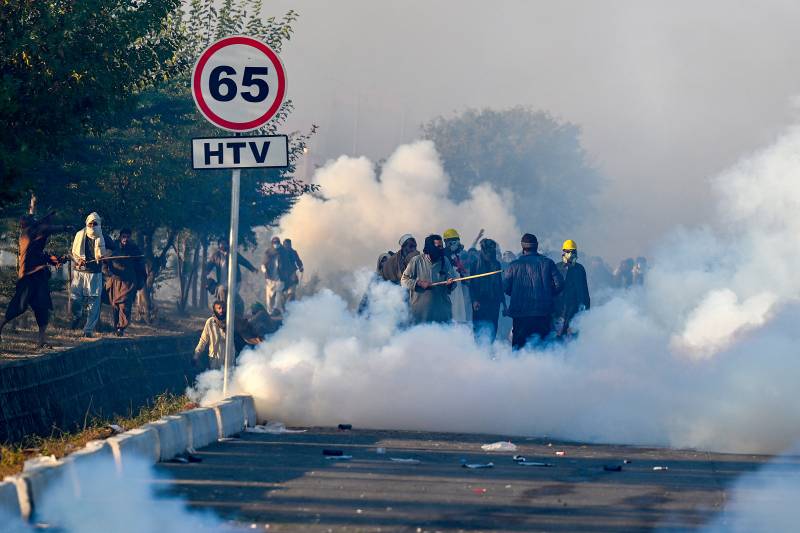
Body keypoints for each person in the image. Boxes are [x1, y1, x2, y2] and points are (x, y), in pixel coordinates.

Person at [0, 211, 67, 347]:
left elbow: (39, 254)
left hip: (38, 277)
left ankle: (41, 340)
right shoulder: (27, 234)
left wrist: (54, 259)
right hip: (27, 277)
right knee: (19, 306)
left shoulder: (35, 236)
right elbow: (47, 230)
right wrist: (65, 227)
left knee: (42, 307)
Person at [503, 233, 563, 349]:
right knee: (542, 349)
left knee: (519, 351)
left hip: (520, 315)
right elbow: (559, 284)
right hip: (543, 313)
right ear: (536, 246)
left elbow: (505, 287)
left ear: (523, 247)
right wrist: (548, 294)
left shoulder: (513, 266)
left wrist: (515, 293)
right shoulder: (548, 263)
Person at [70, 212, 110, 338]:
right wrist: (78, 260)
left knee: (94, 303)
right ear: (87, 223)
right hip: (79, 273)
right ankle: (77, 315)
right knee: (75, 299)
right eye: (90, 223)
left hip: (95, 274)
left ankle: (88, 330)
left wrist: (104, 255)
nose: (92, 226)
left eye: (95, 223)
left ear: (99, 224)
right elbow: (73, 253)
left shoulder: (104, 237)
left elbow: (112, 249)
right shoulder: (79, 235)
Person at [401, 234, 456, 324]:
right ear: (430, 248)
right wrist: (419, 283)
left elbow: (452, 281)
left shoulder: (445, 261)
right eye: (439, 247)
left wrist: (450, 284)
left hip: (442, 315)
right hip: (420, 316)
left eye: (442, 246)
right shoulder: (416, 261)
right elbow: (404, 280)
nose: (442, 249)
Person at [103, 228, 145, 337]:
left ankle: (121, 327)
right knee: (115, 306)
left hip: (129, 283)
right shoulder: (113, 248)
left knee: (125, 305)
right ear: (120, 237)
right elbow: (104, 264)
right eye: (123, 237)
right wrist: (109, 273)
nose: (125, 239)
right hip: (115, 282)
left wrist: (140, 282)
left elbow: (141, 267)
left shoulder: (135, 250)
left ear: (130, 238)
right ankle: (116, 327)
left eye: (127, 237)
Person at [205, 238, 256, 314]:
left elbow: (243, 261)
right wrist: (206, 272)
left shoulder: (233, 254)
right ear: (218, 245)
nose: (222, 245)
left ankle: (233, 313)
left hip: (235, 282)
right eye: (221, 243)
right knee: (223, 296)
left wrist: (252, 269)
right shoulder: (216, 256)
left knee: (232, 297)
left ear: (227, 245)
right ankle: (224, 313)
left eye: (224, 243)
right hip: (222, 282)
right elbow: (209, 265)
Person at [552, 239, 590, 337]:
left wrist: (585, 311)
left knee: (572, 340)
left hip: (574, 311)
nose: (571, 254)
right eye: (568, 251)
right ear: (563, 252)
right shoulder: (556, 267)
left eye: (573, 251)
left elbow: (584, 292)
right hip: (559, 311)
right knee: (558, 340)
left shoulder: (579, 269)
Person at [469, 238, 505, 342]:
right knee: (478, 329)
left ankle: (489, 351)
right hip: (479, 304)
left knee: (492, 329)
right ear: (483, 251)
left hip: (494, 303)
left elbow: (499, 285)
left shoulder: (497, 264)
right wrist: (474, 300)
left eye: (492, 251)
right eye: (488, 252)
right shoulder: (475, 265)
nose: (490, 254)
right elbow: (472, 286)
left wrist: (504, 304)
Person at [442, 228, 471, 322]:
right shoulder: (443, 255)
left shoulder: (455, 256)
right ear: (447, 242)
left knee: (459, 315)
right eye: (454, 241)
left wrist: (465, 278)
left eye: (457, 241)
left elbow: (459, 272)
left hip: (458, 291)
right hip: (449, 293)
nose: (457, 244)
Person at [193, 300, 227, 370]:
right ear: (215, 310)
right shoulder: (210, 322)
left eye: (223, 308)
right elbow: (203, 340)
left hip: (229, 359)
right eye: (219, 308)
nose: (221, 310)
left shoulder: (231, 321)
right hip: (214, 359)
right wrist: (196, 355)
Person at [262, 236, 289, 315]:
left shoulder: (283, 252)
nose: (276, 244)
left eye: (277, 243)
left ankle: (276, 310)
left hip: (280, 278)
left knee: (279, 294)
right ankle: (269, 312)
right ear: (272, 243)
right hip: (270, 279)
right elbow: (263, 264)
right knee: (269, 297)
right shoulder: (268, 252)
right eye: (274, 243)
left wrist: (287, 275)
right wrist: (264, 271)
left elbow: (287, 264)